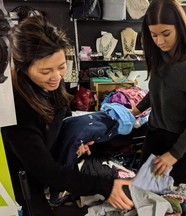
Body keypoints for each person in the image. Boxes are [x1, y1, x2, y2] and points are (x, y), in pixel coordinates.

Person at [1, 15, 133, 216]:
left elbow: (63, 115)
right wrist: (105, 187)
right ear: (23, 67)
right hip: (23, 183)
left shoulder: (50, 83)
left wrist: (77, 141)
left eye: (61, 67)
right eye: (46, 71)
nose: (56, 77)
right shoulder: (17, 107)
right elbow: (44, 170)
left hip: (47, 167)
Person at [131, 0, 186, 186]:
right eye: (154, 35)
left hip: (183, 140)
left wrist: (174, 154)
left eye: (166, 34)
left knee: (172, 196)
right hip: (155, 131)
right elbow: (157, 89)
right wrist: (135, 111)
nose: (160, 41)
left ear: (180, 27)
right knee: (142, 185)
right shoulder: (160, 52)